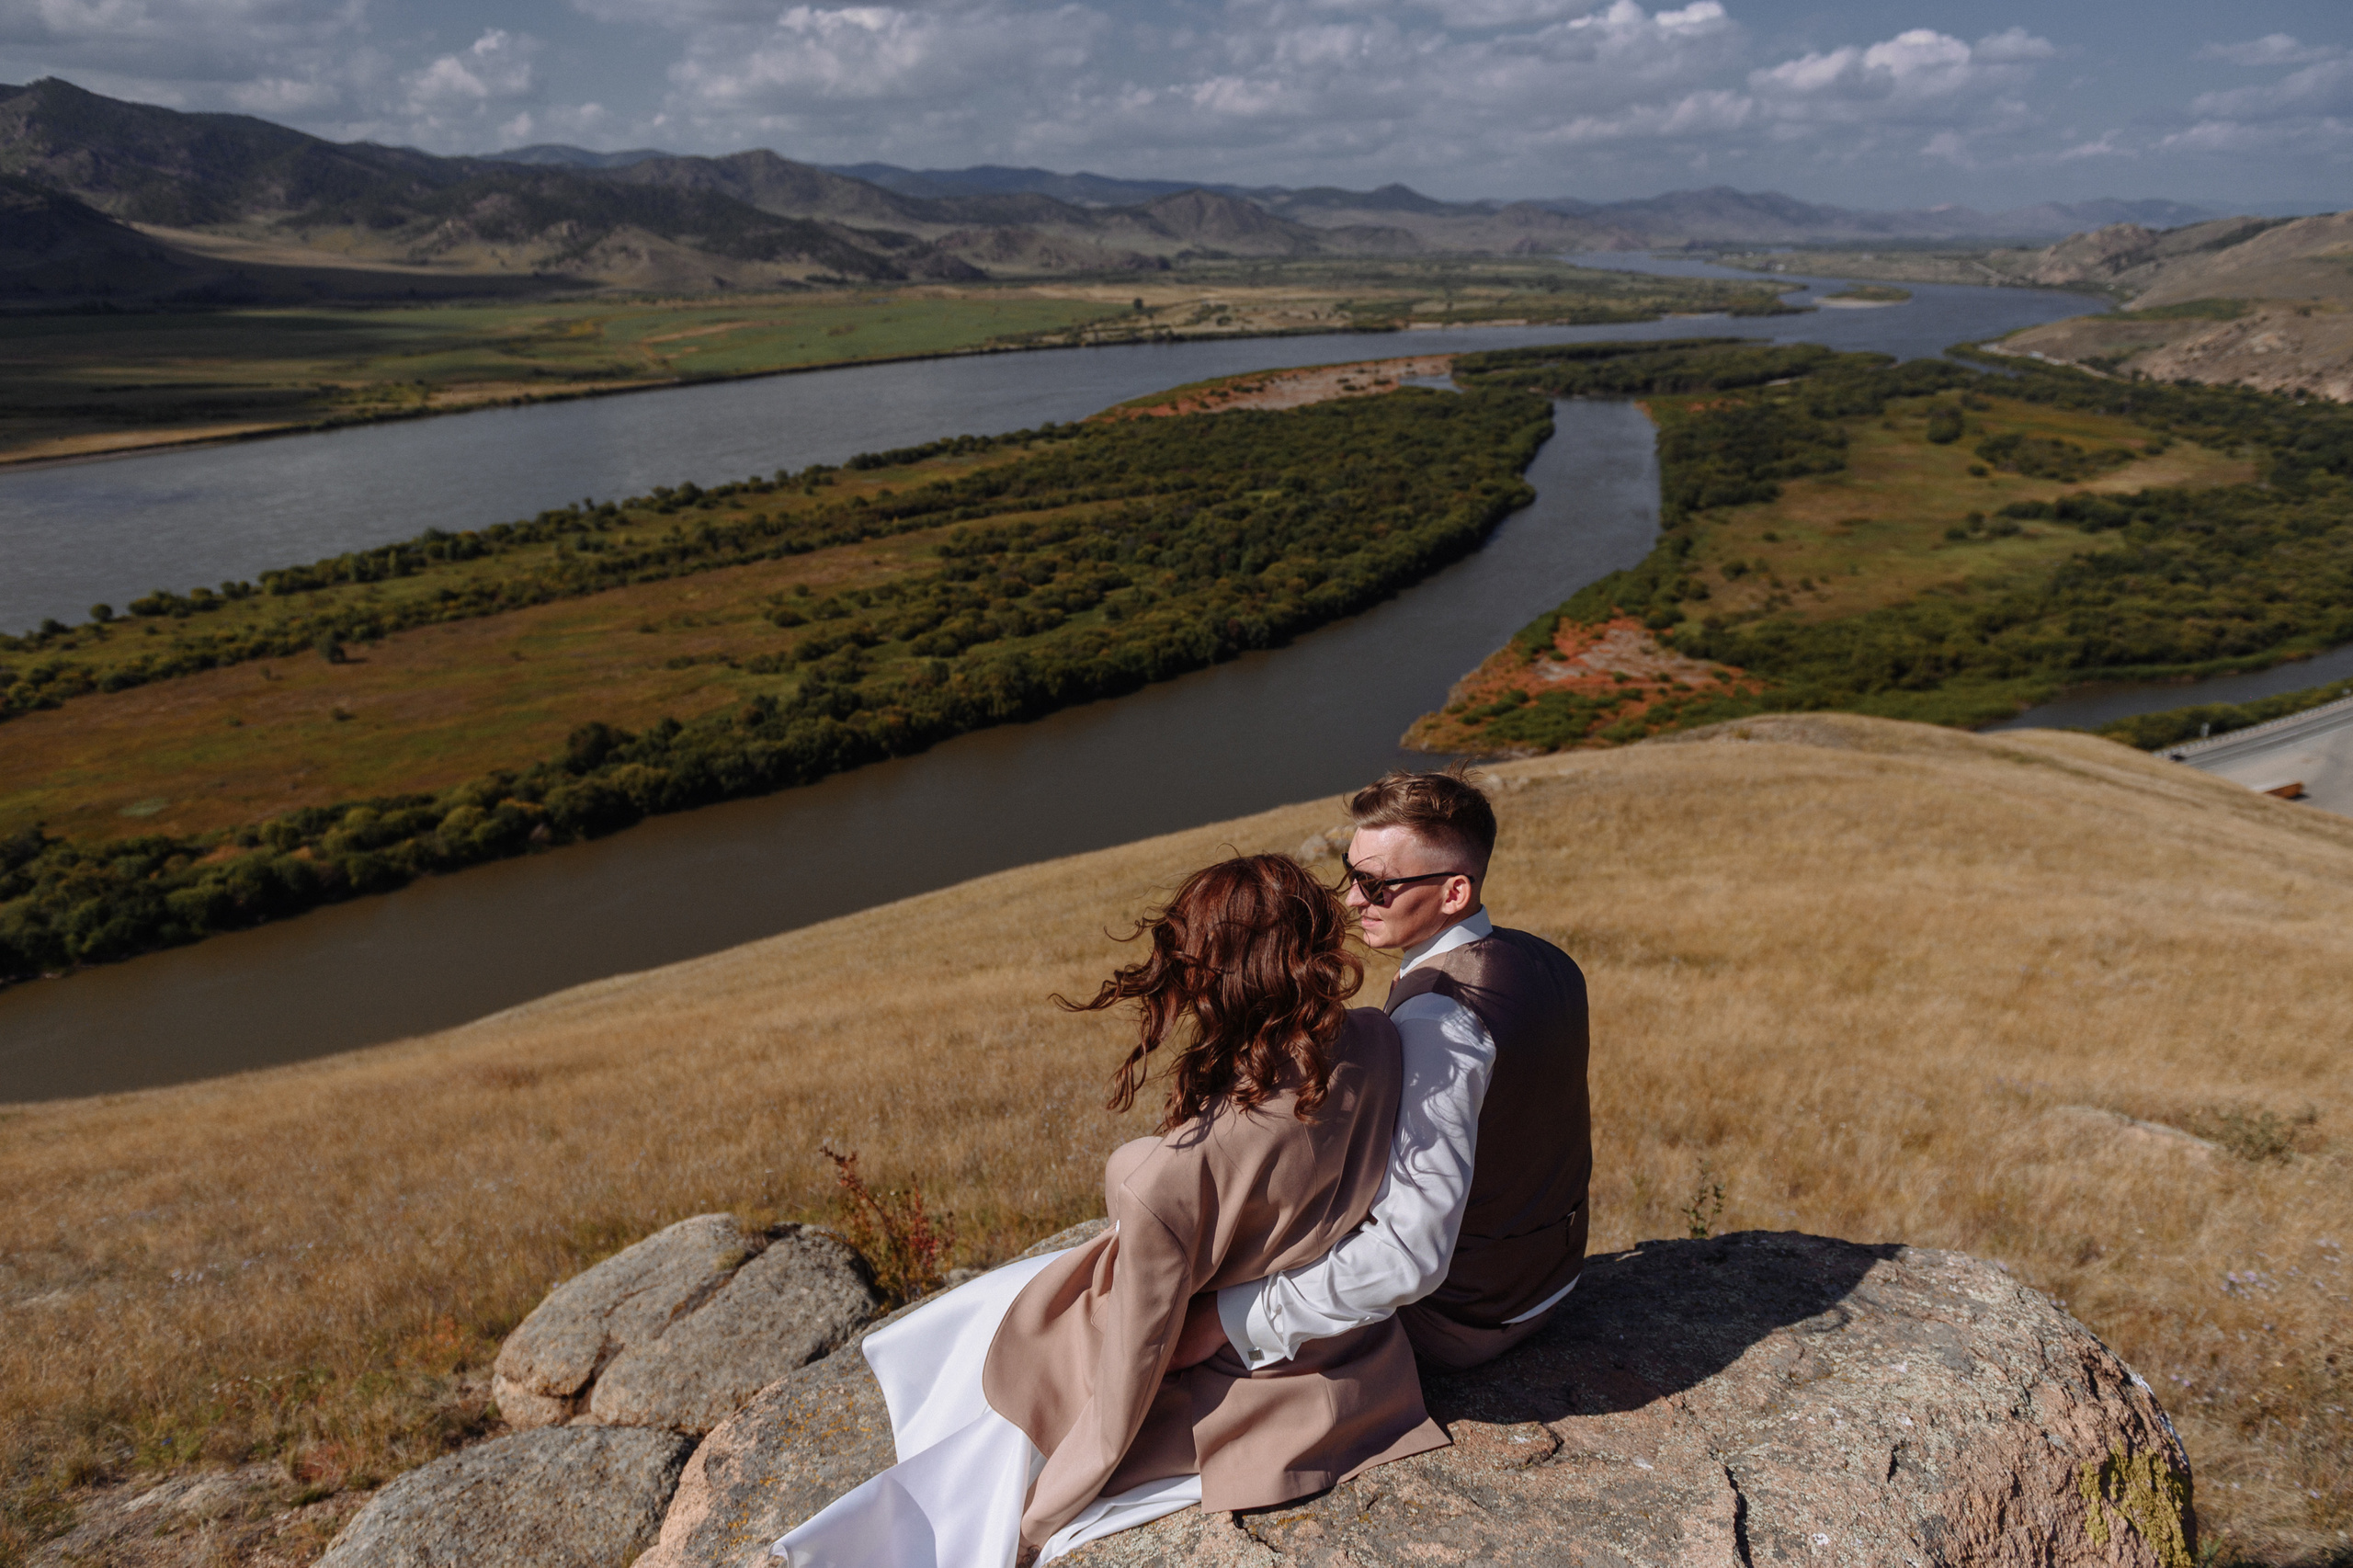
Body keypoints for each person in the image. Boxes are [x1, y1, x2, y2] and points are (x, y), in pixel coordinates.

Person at [774, 855, 1446, 1568]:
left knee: (991, 1361)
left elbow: (1130, 1379)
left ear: (1205, 979)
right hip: (1357, 1362)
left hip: (1239, 1385)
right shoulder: (1376, 1038)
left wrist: (1035, 1522)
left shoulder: (1168, 1179)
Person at [1215, 767, 1591, 1373]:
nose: (1354, 900)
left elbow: (1410, 1254)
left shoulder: (1438, 1023)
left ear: (1454, 894)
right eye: (1352, 874)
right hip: (1552, 1279)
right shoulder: (1548, 960)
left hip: (1462, 1318)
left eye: (1378, 886)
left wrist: (1234, 1323)